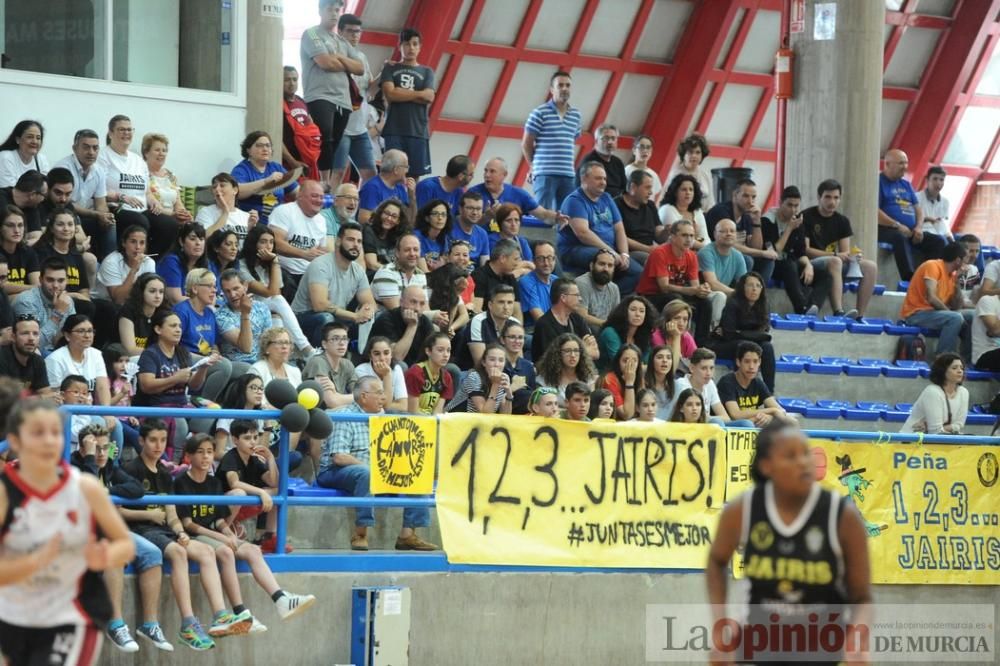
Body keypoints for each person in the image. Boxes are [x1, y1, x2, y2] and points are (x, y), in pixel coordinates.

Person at [707, 421, 872, 664]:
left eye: (806, 453)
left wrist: (858, 638)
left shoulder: (842, 515)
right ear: (766, 466)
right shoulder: (744, 509)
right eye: (790, 456)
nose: (804, 462)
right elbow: (716, 560)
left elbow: (862, 597)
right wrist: (721, 624)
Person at [0, 399, 135, 666]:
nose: (50, 440)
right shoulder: (4, 494)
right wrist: (35, 562)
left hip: (71, 615)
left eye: (55, 432)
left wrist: (104, 557)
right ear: (15, 441)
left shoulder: (85, 487)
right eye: (38, 433)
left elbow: (125, 544)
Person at [120, 419, 251, 650]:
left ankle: (220, 615)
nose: (158, 445)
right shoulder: (129, 470)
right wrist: (148, 517)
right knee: (179, 553)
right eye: (152, 440)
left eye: (162, 440)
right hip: (142, 530)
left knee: (207, 551)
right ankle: (188, 624)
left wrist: (180, 531)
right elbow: (118, 510)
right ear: (141, 441)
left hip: (166, 529)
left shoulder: (164, 472)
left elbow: (171, 512)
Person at [176, 434, 317, 627]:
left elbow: (218, 518)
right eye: (200, 452)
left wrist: (227, 531)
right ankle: (240, 612)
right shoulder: (181, 483)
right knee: (226, 551)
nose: (206, 457)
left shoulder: (213, 483)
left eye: (209, 452)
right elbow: (188, 524)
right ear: (189, 456)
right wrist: (220, 536)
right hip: (196, 535)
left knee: (252, 550)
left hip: (214, 532)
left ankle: (281, 599)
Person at [69, 423, 170, 654]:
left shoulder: (111, 466)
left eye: (105, 448)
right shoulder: (74, 465)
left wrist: (108, 492)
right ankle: (115, 623)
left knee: (152, 552)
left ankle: (149, 624)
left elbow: (136, 489)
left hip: (107, 530)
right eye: (96, 449)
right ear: (83, 449)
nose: (102, 454)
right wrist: (90, 460)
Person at [317, 375, 438, 551]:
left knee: (416, 473)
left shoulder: (382, 417)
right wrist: (374, 470)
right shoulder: (344, 416)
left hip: (375, 470)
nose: (384, 398)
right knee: (367, 474)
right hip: (335, 471)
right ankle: (360, 534)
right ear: (364, 397)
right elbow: (339, 457)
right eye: (379, 393)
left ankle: (407, 534)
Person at [299, 0, 365, 187]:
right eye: (330, 9)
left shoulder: (342, 42)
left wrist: (340, 57)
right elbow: (325, 63)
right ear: (320, 10)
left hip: (343, 100)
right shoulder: (312, 33)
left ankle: (321, 180)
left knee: (333, 142)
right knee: (324, 136)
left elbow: (360, 68)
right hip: (320, 95)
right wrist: (344, 64)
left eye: (338, 9)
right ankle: (323, 181)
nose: (334, 13)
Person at [135, 311, 219, 452]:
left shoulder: (183, 352)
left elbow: (194, 385)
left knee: (211, 414)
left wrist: (203, 368)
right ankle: (174, 463)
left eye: (180, 326)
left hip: (181, 404)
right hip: (156, 407)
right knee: (179, 422)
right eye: (173, 326)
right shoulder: (150, 354)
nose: (178, 329)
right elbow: (146, 386)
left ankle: (193, 454)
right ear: (158, 329)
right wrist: (175, 379)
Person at [97, 115, 177, 255]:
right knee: (140, 221)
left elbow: (146, 192)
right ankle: (131, 260)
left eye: (129, 130)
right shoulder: (103, 156)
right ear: (110, 133)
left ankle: (151, 260)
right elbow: (98, 189)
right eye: (121, 129)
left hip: (142, 209)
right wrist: (120, 196)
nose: (126, 133)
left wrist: (153, 202)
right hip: (117, 208)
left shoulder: (138, 160)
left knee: (169, 224)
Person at [558, 161, 641, 294]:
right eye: (598, 178)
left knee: (638, 272)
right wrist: (612, 253)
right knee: (604, 259)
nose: (603, 182)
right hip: (576, 250)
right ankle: (604, 297)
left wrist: (624, 254)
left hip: (607, 250)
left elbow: (619, 229)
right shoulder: (575, 200)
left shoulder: (606, 198)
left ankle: (610, 298)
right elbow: (583, 234)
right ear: (584, 178)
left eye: (604, 179)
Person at [801, 179, 876, 318]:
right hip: (811, 263)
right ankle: (838, 311)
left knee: (870, 267)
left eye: (836, 198)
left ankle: (860, 315)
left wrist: (852, 257)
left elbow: (844, 252)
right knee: (836, 261)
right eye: (828, 197)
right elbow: (805, 250)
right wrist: (836, 255)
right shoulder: (806, 216)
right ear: (819, 197)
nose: (832, 202)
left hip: (835, 263)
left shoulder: (842, 221)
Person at [291, 222, 375, 346]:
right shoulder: (321, 265)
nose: (356, 245)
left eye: (359, 241)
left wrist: (367, 311)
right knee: (327, 319)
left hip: (335, 316)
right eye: (351, 240)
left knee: (373, 319)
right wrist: (355, 316)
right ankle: (317, 357)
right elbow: (319, 305)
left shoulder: (358, 270)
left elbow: (370, 302)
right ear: (338, 241)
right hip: (304, 318)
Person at [238, 224, 314, 356]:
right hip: (247, 308)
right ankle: (305, 348)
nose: (268, 246)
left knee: (277, 318)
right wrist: (274, 261)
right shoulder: (241, 265)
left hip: (267, 310)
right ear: (253, 244)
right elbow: (272, 294)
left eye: (271, 242)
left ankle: (283, 357)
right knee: (277, 301)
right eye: (263, 242)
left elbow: (276, 293)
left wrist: (274, 262)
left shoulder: (269, 265)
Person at [636, 220, 715, 342]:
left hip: (675, 293)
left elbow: (695, 286)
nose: (689, 239)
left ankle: (701, 343)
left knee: (705, 302)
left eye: (691, 236)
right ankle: (673, 340)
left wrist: (702, 290)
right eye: (684, 235)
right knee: (676, 299)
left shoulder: (692, 255)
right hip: (650, 296)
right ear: (672, 237)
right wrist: (691, 290)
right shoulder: (660, 252)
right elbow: (664, 287)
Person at [215, 420, 284, 553]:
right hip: (221, 508)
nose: (253, 442)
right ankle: (224, 534)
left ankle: (269, 537)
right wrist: (261, 492)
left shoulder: (254, 459)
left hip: (242, 507)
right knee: (239, 493)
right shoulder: (230, 457)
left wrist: (270, 458)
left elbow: (273, 482)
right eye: (247, 438)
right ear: (235, 440)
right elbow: (234, 483)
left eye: (255, 437)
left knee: (278, 491)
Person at [878, 148, 944, 281]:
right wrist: (896, 225)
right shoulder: (878, 182)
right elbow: (874, 211)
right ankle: (909, 278)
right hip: (887, 229)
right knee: (899, 237)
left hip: (911, 230)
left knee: (939, 241)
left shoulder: (906, 184)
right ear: (888, 164)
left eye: (906, 163)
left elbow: (918, 209)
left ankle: (930, 277)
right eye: (901, 163)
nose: (905, 167)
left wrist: (919, 227)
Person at [522, 70, 582, 211]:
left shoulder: (576, 115)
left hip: (568, 175)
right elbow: (526, 144)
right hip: (545, 175)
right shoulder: (539, 113)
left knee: (566, 217)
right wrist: (534, 167)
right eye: (560, 85)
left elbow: (570, 141)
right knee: (543, 216)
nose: (564, 89)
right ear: (551, 90)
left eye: (568, 85)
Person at [381, 27, 436, 178]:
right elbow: (390, 94)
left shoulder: (427, 71)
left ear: (420, 47)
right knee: (392, 173)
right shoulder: (390, 68)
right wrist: (419, 95)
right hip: (394, 129)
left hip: (418, 130)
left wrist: (402, 92)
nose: (411, 48)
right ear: (400, 46)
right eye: (407, 44)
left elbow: (429, 97)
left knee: (414, 176)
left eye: (415, 44)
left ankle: (410, 201)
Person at [899, 241, 969, 358]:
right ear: (958, 260)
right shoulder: (933, 265)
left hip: (935, 314)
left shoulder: (952, 275)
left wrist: (957, 280)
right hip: (916, 314)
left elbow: (957, 306)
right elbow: (931, 297)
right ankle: (944, 358)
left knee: (973, 315)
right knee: (955, 318)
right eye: (965, 259)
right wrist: (949, 312)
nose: (967, 263)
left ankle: (967, 359)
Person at [331, 13, 378, 188]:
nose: (355, 35)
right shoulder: (333, 57)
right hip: (341, 127)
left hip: (360, 128)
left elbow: (369, 89)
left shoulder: (362, 58)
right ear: (340, 31)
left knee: (370, 174)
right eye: (350, 31)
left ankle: (363, 210)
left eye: (358, 32)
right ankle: (331, 213)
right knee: (337, 173)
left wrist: (385, 71)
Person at [766, 186, 828, 316]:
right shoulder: (768, 220)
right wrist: (789, 229)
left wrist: (808, 265)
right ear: (780, 202)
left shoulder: (798, 221)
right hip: (772, 265)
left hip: (791, 264)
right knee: (789, 265)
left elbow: (800, 252)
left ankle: (812, 306)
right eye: (789, 205)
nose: (793, 210)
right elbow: (774, 251)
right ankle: (801, 308)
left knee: (825, 275)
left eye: (796, 206)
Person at [55, 129, 117, 259]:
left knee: (110, 223)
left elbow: (101, 203)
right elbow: (65, 202)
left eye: (95, 148)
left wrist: (104, 216)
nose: (91, 152)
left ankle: (109, 265)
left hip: (86, 216)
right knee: (74, 217)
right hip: (64, 214)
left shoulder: (98, 170)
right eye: (86, 147)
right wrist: (97, 214)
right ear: (74, 148)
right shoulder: (64, 167)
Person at [709, 271, 776, 391]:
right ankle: (740, 389)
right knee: (744, 346)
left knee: (767, 347)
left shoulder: (764, 304)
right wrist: (754, 335)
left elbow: (765, 334)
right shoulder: (733, 303)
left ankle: (769, 392)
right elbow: (728, 334)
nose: (754, 289)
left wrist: (740, 333)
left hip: (745, 342)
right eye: (750, 285)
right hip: (724, 345)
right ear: (742, 287)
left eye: (758, 286)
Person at [269, 180, 332, 300]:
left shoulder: (321, 220)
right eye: (314, 196)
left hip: (308, 274)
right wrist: (303, 254)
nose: (319, 200)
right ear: (300, 196)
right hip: (282, 270)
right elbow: (275, 243)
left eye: (321, 197)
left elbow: (322, 252)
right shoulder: (284, 211)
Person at [704, 178, 774, 282]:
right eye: (745, 196)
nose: (750, 201)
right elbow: (730, 244)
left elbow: (755, 247)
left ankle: (757, 293)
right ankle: (740, 294)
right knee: (747, 260)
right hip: (716, 255)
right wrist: (762, 252)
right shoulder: (721, 211)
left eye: (753, 197)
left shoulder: (746, 215)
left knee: (768, 260)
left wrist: (756, 221)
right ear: (735, 195)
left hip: (734, 255)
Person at [34, 209, 94, 319]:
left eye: (70, 224)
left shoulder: (76, 256)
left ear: (75, 229)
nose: (66, 229)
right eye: (60, 224)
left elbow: (84, 289)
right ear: (51, 228)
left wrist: (82, 297)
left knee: (106, 307)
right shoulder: (42, 253)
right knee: (87, 307)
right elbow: (42, 287)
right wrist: (74, 296)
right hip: (51, 301)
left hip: (76, 301)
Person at [467, 157, 564, 225]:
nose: (487, 175)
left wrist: (556, 218)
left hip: (508, 244)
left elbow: (543, 214)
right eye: (485, 170)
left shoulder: (518, 194)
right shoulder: (473, 193)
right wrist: (486, 217)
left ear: (504, 175)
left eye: (492, 171)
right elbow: (465, 224)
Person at [717, 341, 793, 427]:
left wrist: (769, 417)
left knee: (792, 421)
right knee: (747, 424)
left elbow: (779, 410)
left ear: (760, 362)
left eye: (755, 361)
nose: (751, 366)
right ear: (738, 362)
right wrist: (771, 411)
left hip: (751, 424)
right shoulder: (727, 382)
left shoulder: (757, 382)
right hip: (729, 427)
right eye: (747, 361)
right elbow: (736, 415)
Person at [232, 131, 298, 224]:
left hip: (278, 223)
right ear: (248, 150)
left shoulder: (277, 167)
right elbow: (237, 192)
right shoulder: (242, 169)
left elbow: (297, 192)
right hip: (252, 224)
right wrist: (266, 181)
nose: (265, 149)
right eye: (259, 145)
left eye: (268, 145)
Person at [13, 256, 74, 356]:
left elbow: (73, 337)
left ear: (67, 281)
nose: (55, 285)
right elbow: (31, 343)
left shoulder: (67, 301)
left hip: (60, 352)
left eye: (61, 280)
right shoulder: (26, 301)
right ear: (40, 280)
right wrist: (57, 314)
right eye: (50, 280)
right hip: (34, 353)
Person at [675, 347, 749, 427]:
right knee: (716, 422)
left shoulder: (710, 384)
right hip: (687, 427)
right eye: (704, 368)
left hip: (706, 424)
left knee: (746, 424)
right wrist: (708, 418)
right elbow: (676, 417)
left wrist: (707, 418)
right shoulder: (681, 385)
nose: (709, 373)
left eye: (711, 368)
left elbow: (726, 418)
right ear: (692, 368)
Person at [531, 278, 599, 363]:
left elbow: (595, 353)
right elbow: (554, 361)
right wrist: (583, 349)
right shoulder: (544, 325)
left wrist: (573, 353)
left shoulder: (577, 319)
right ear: (563, 298)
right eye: (577, 295)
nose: (580, 299)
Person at [900, 352, 968, 435]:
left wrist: (929, 427)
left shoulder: (964, 392)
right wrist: (950, 428)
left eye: (962, 368)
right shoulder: (932, 392)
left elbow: (959, 425)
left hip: (942, 439)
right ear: (942, 371)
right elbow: (935, 431)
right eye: (954, 368)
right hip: (912, 440)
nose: (960, 371)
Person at [697, 218, 747, 329]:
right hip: (704, 293)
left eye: (732, 231)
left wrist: (744, 293)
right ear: (714, 234)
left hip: (725, 292)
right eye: (723, 231)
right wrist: (736, 293)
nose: (728, 234)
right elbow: (712, 284)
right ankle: (714, 332)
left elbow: (744, 283)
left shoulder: (738, 256)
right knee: (720, 296)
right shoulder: (706, 252)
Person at [215, 270, 271, 366]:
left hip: (262, 362)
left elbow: (268, 341)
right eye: (227, 291)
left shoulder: (261, 307)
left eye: (236, 288)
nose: (232, 295)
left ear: (245, 286)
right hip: (239, 363)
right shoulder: (221, 316)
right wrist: (245, 313)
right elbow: (246, 348)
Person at [371, 285, 435, 366]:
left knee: (451, 368)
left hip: (415, 368)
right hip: (382, 367)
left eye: (422, 304)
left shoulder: (425, 321)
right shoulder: (386, 320)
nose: (417, 308)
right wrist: (412, 326)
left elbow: (434, 353)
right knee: (401, 365)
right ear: (401, 302)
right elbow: (396, 357)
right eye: (413, 302)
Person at [95, 225, 155, 305]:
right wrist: (133, 270)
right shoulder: (111, 262)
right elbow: (119, 300)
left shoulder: (149, 262)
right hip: (105, 303)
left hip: (132, 304)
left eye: (142, 243)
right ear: (124, 243)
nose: (138, 247)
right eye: (133, 242)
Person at [195, 173, 258, 248]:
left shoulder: (246, 216)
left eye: (222, 185)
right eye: (214, 187)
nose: (217, 189)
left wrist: (250, 229)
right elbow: (203, 238)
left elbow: (251, 248)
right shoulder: (205, 212)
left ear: (235, 190)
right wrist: (225, 213)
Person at [615, 170, 664, 266]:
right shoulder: (616, 205)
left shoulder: (650, 205)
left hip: (650, 250)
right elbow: (619, 236)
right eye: (647, 188)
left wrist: (667, 231)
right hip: (629, 251)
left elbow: (659, 235)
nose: (651, 192)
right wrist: (648, 249)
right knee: (655, 261)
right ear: (633, 187)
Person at [142, 133, 193, 226]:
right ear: (146, 153)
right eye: (157, 150)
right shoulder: (141, 173)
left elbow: (178, 202)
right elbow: (150, 205)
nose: (161, 154)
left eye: (164, 150)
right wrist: (173, 215)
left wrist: (184, 214)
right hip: (155, 217)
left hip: (173, 217)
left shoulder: (170, 175)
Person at [447, 343, 513, 414]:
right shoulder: (474, 378)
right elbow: (484, 414)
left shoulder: (503, 378)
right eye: (492, 360)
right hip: (455, 419)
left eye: (501, 360)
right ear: (484, 362)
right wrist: (495, 384)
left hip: (478, 422)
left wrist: (509, 393)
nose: (496, 364)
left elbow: (505, 414)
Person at [303, 321, 356, 409]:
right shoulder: (318, 362)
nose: (342, 343)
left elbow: (362, 396)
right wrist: (354, 398)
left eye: (344, 338)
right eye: (335, 339)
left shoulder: (347, 364)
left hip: (341, 412)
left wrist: (336, 395)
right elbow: (331, 402)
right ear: (324, 344)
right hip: (320, 415)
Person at [535, 333, 598, 405]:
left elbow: (591, 405)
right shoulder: (545, 380)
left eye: (576, 350)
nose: (573, 355)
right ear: (558, 353)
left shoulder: (588, 377)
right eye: (567, 351)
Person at [281, 65, 320, 179]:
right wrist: (292, 161)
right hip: (287, 163)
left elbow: (312, 131)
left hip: (306, 162)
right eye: (287, 80)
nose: (291, 83)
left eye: (294, 79)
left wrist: (313, 157)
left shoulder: (301, 101)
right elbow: (276, 138)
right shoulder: (277, 102)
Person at [597, 295, 655, 368]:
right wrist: (643, 367)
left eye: (642, 311)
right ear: (624, 312)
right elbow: (620, 364)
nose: (637, 314)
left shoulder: (644, 336)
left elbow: (647, 362)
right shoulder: (610, 332)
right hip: (605, 375)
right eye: (633, 310)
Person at [358, 150, 416, 224]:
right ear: (396, 170)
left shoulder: (400, 187)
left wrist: (412, 197)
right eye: (406, 167)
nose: (407, 171)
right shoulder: (372, 188)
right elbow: (364, 219)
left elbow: (410, 221)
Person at [158, 222, 208, 305]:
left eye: (201, 239)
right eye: (192, 239)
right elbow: (175, 299)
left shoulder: (205, 264)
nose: (198, 243)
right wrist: (202, 302)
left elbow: (211, 295)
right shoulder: (171, 262)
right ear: (181, 241)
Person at [372, 234, 426, 310]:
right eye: (407, 250)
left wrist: (436, 316)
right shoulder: (386, 273)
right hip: (384, 319)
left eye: (416, 250)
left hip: (411, 319)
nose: (412, 254)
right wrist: (431, 316)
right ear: (397, 253)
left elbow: (424, 307)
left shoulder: (421, 275)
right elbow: (397, 311)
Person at [118, 273, 168, 357]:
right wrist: (162, 353)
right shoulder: (128, 311)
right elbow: (130, 350)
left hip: (152, 358)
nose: (157, 296)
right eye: (152, 291)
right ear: (141, 292)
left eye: (161, 292)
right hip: (125, 360)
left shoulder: (163, 313)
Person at [354, 336, 408, 412]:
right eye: (377, 354)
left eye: (386, 353)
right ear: (370, 356)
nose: (382, 358)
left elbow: (403, 406)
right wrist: (387, 375)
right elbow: (382, 406)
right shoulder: (361, 370)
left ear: (391, 354)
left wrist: (384, 405)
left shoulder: (396, 369)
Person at [405, 332, 454, 415]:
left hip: (430, 421)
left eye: (448, 350)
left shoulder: (446, 377)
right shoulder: (415, 373)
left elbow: (437, 412)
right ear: (428, 351)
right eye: (440, 350)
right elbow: (412, 412)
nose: (446, 355)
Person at [473, 239, 523, 320]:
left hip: (508, 328)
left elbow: (517, 312)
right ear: (502, 258)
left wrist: (518, 331)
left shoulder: (511, 277)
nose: (517, 264)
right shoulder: (479, 276)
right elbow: (476, 311)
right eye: (515, 259)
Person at [0, 314, 49, 394]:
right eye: (25, 333)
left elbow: (46, 393)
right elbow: (4, 398)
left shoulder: (38, 361)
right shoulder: (2, 358)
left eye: (35, 334)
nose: (31, 338)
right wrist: (40, 398)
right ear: (13, 337)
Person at [0, 204, 40, 301]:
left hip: (26, 299)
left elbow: (37, 283)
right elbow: (2, 286)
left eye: (20, 225)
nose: (17, 230)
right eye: (10, 225)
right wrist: (33, 289)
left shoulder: (28, 252)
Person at [574, 249, 620, 330]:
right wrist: (607, 324)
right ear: (591, 266)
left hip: (604, 331)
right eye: (602, 264)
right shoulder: (582, 283)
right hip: (585, 332)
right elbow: (581, 316)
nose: (606, 269)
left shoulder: (614, 288)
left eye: (610, 265)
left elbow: (616, 317)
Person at [666, 133, 714, 209]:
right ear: (683, 155)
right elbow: (668, 201)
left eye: (698, 152)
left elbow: (710, 202)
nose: (694, 155)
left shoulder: (706, 175)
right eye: (690, 152)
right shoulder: (675, 174)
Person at [579, 123, 627, 198]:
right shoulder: (588, 161)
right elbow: (582, 188)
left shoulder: (618, 162)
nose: (610, 142)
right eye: (606, 138)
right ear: (596, 141)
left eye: (613, 138)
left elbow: (624, 188)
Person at [487, 204, 535, 277]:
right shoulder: (492, 241)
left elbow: (532, 267)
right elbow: (502, 269)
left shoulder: (522, 241)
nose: (513, 224)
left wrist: (520, 269)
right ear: (500, 223)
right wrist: (523, 268)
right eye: (509, 220)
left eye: (516, 220)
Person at [598, 343, 643, 420]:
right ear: (618, 362)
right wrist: (629, 382)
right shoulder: (609, 379)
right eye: (625, 360)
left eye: (634, 361)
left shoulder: (640, 379)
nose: (630, 365)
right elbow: (626, 414)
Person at [364, 198, 409, 273]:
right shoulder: (369, 230)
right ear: (380, 213)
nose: (389, 218)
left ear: (398, 221)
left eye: (394, 216)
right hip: (375, 278)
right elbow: (371, 264)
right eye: (386, 213)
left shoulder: (398, 237)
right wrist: (397, 272)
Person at [518, 240, 556, 326]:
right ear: (534, 261)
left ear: (554, 260)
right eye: (541, 258)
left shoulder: (557, 281)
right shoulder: (526, 282)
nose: (546, 263)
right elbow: (539, 318)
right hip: (535, 330)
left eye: (550, 258)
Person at [0, 120, 49, 187]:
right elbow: (9, 190)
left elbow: (46, 187)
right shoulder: (6, 157)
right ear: (18, 140)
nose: (34, 141)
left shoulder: (41, 159)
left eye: (38, 138)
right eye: (30, 137)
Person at [449, 191, 491, 267]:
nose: (474, 212)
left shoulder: (482, 234)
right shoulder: (448, 228)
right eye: (470, 208)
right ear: (460, 209)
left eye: (478, 209)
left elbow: (485, 265)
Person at [413, 199, 452, 272]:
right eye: (435, 214)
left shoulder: (444, 238)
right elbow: (425, 272)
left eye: (443, 214)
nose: (440, 218)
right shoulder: (416, 236)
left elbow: (444, 267)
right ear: (427, 218)